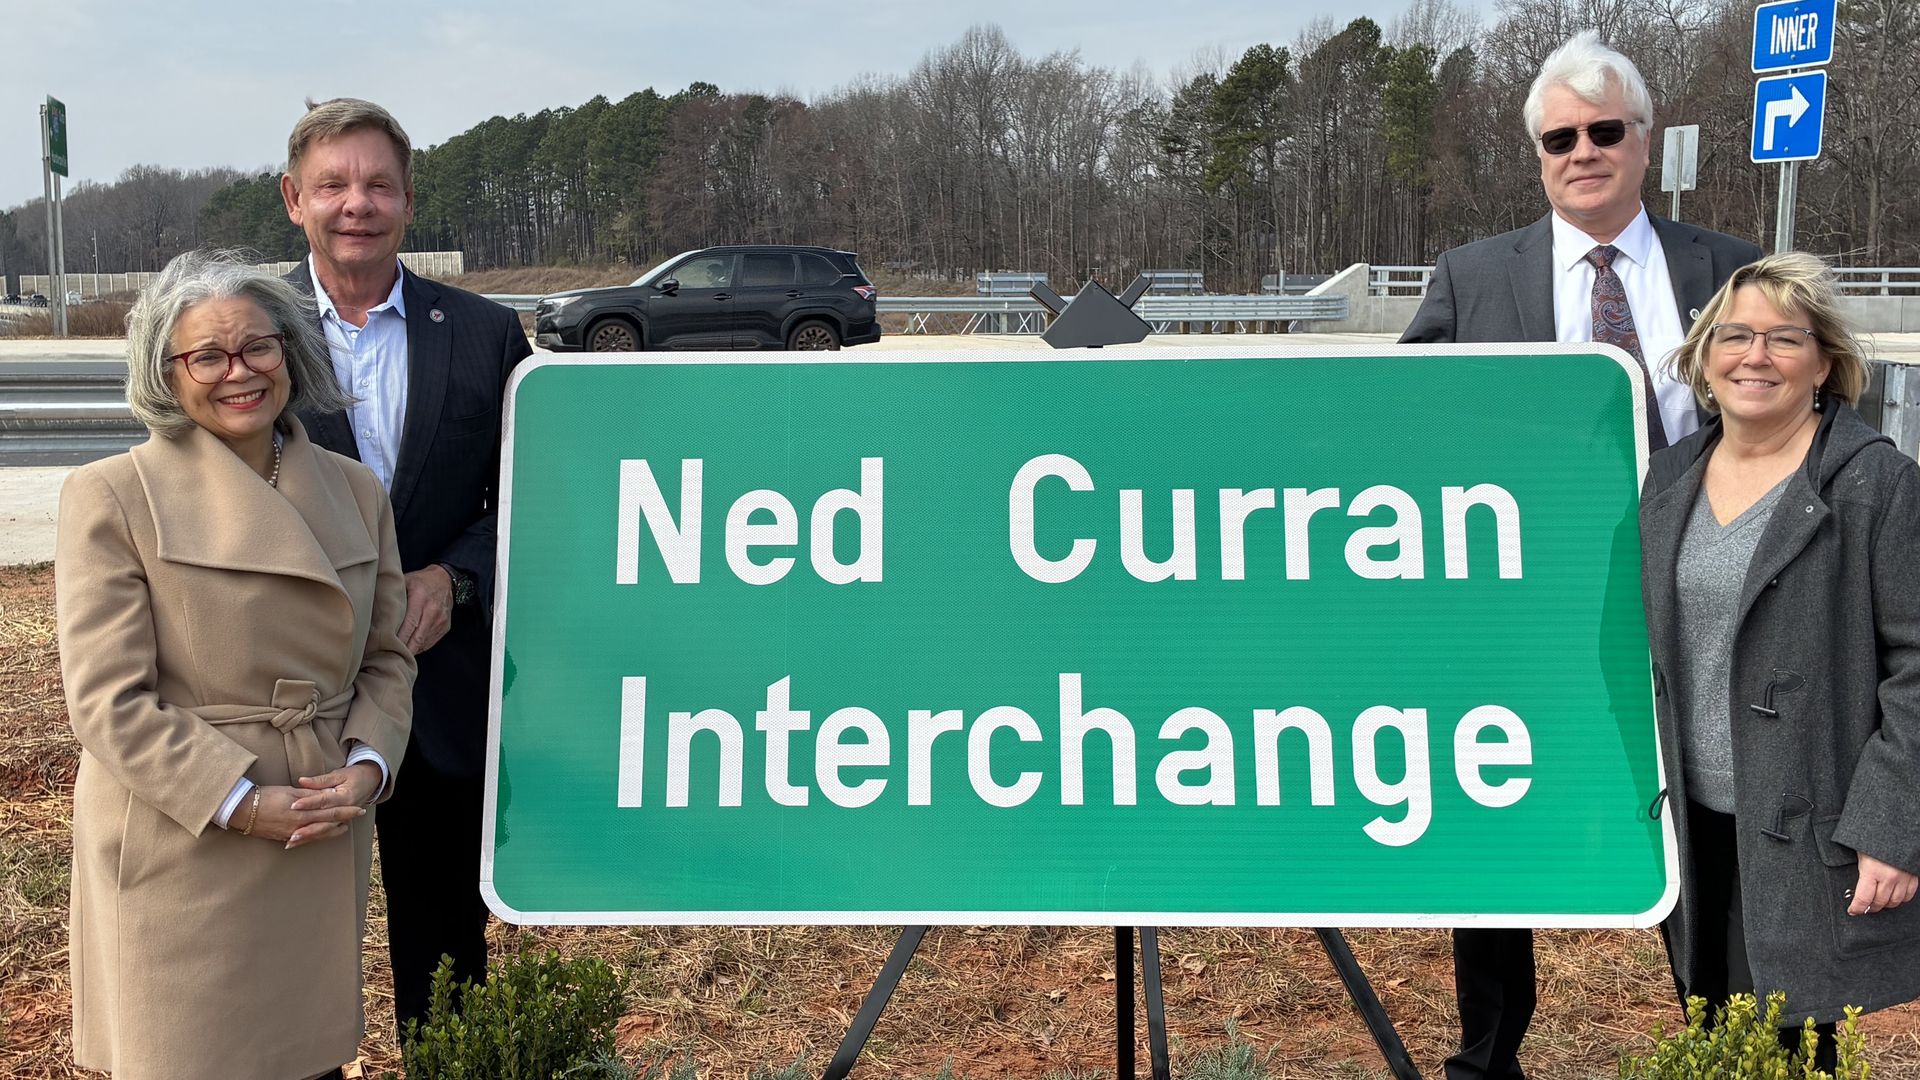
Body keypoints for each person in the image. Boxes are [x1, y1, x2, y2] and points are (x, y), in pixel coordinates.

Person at [1399, 30, 1762, 1080]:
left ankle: (1724, 1034)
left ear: (1644, 142)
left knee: (1702, 833)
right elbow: (1408, 429)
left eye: (1605, 130)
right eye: (1561, 137)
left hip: (1699, 610)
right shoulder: (1472, 279)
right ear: (1540, 155)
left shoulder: (1731, 271)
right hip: (1526, 612)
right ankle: (1488, 1053)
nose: (1583, 151)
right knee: (1502, 827)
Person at [56, 249, 415, 1080]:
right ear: (166, 372)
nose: (238, 372)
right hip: (186, 835)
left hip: (319, 824)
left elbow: (389, 657)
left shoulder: (358, 491)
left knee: (311, 1063)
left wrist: (367, 765)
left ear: (290, 351)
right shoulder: (113, 495)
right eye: (207, 356)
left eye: (258, 346)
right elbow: (108, 702)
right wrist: (243, 803)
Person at [279, 97, 533, 1034]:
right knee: (288, 940)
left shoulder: (484, 334)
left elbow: (531, 494)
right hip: (288, 690)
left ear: (409, 201)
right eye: (334, 184)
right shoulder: (244, 336)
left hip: (438, 685)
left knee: (443, 949)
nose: (358, 203)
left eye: (379, 184)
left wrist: (453, 576)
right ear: (293, 199)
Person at [1641, 251, 1920, 1068]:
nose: (1754, 357)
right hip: (1692, 823)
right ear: (1703, 356)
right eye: (1734, 336)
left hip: (1810, 820)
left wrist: (1894, 828)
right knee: (1715, 1027)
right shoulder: (1668, 479)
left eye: (1783, 339)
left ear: (1825, 363)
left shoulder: (1873, 485)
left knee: (1795, 1041)